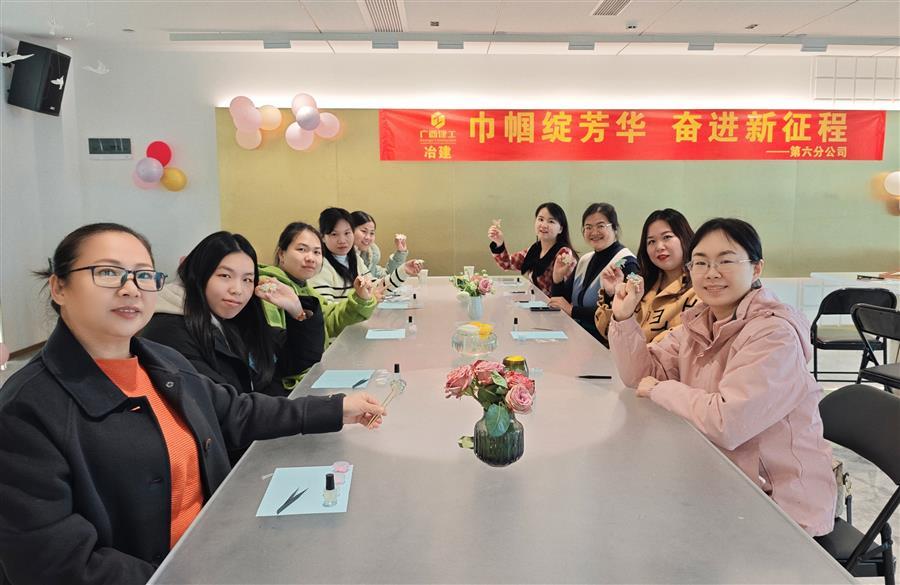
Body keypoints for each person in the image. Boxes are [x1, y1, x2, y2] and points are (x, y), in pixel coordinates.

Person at [0, 223, 385, 584]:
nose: (131, 289)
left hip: (217, 547)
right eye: (108, 273)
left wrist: (336, 408)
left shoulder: (160, 362)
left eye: (143, 275)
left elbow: (235, 410)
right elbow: (55, 562)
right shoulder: (26, 410)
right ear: (59, 287)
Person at [608, 218, 836, 537]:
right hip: (720, 478)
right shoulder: (700, 323)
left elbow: (728, 423)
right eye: (701, 263)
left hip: (779, 506)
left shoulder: (773, 335)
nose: (711, 273)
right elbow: (639, 376)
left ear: (756, 268)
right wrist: (623, 317)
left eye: (726, 261)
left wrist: (662, 389)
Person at [141, 231, 322, 397]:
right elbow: (225, 406)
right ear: (199, 274)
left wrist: (297, 310)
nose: (237, 290)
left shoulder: (234, 317)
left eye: (247, 279)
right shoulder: (169, 330)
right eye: (225, 276)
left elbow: (298, 361)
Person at [258, 222, 378, 386]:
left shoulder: (306, 288)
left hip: (316, 372)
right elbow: (278, 356)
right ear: (281, 254)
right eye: (302, 249)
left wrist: (360, 298)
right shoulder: (270, 289)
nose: (310, 258)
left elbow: (330, 319)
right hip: (292, 385)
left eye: (316, 252)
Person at [594, 208, 698, 344]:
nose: (659, 247)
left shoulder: (699, 290)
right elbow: (608, 332)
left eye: (667, 237)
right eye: (651, 241)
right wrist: (612, 294)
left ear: (685, 237)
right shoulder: (641, 282)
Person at [548, 203, 637, 340]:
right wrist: (558, 278)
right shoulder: (585, 259)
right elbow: (560, 302)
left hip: (605, 343)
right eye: (588, 227)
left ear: (615, 228)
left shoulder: (625, 262)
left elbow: (622, 313)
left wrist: (573, 311)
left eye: (600, 226)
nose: (594, 232)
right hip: (577, 337)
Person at [308, 207, 421, 303]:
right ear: (322, 237)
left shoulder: (355, 259)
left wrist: (403, 270)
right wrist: (363, 301)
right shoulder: (319, 266)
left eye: (347, 233)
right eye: (334, 234)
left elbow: (375, 287)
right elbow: (327, 312)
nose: (342, 240)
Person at [487, 202, 576, 297]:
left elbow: (567, 290)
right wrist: (499, 243)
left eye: (551, 221)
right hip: (535, 302)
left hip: (553, 305)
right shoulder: (535, 249)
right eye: (540, 219)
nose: (544, 225)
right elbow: (507, 263)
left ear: (561, 229)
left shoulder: (565, 253)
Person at [351, 210, 408, 279]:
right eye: (364, 231)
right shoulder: (342, 259)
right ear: (349, 230)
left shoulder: (369, 258)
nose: (368, 237)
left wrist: (400, 253)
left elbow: (387, 276)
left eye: (372, 233)